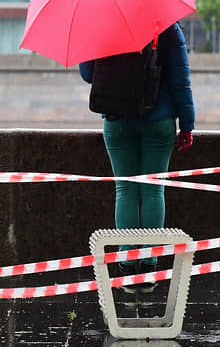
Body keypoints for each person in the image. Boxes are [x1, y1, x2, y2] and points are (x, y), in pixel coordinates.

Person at [79, 22, 195, 293]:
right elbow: (180, 78)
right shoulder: (166, 25)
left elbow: (88, 74)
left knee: (126, 190)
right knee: (154, 192)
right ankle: (149, 265)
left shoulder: (100, 24)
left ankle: (127, 265)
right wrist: (187, 124)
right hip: (159, 119)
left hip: (117, 118)